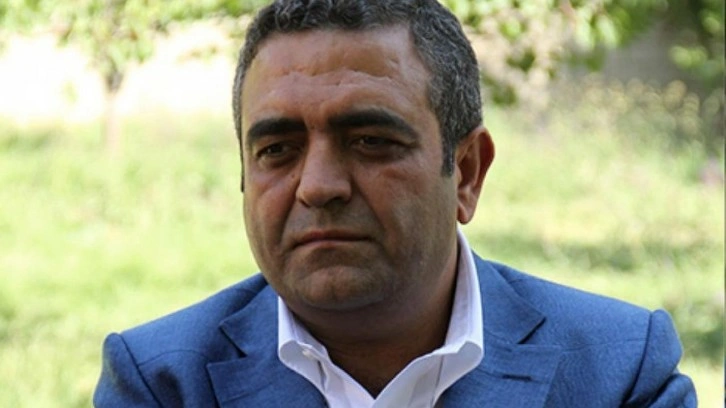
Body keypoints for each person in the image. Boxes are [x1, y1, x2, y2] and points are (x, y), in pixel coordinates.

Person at [93, 0, 697, 407]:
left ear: (466, 172)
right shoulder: (163, 383)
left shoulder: (617, 374)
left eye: (370, 141)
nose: (318, 186)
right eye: (277, 150)